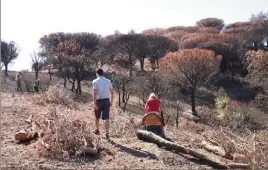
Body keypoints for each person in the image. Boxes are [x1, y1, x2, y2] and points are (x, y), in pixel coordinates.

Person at [92, 68, 114, 139]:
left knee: (97, 117)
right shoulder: (108, 81)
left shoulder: (95, 81)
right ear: (103, 73)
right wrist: (111, 101)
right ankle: (107, 133)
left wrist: (94, 103)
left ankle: (97, 130)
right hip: (106, 101)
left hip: (99, 101)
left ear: (97, 73)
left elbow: (94, 93)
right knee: (107, 118)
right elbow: (112, 92)